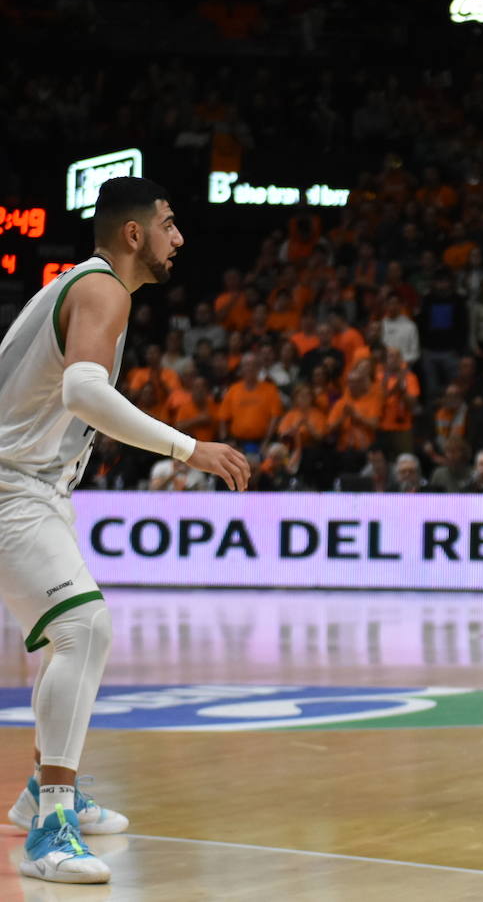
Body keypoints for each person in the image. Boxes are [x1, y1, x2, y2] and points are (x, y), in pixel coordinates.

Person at [0, 178, 249, 884]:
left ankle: (45, 790)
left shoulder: (91, 290)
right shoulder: (103, 289)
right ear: (134, 234)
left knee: (66, 636)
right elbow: (83, 391)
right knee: (84, 629)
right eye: (170, 225)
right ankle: (50, 827)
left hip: (34, 486)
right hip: (9, 485)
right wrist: (188, 448)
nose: (180, 238)